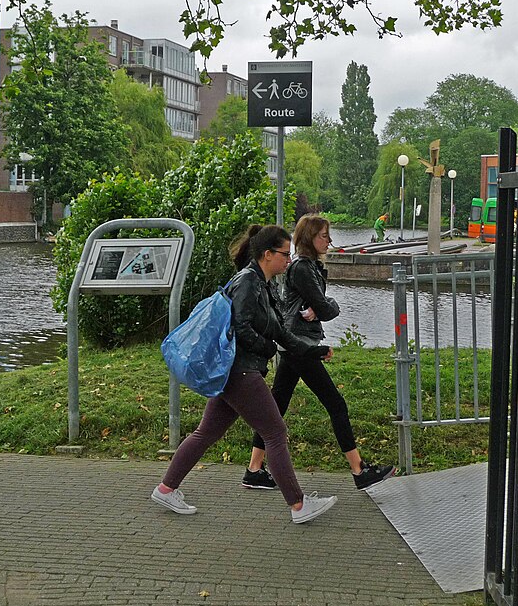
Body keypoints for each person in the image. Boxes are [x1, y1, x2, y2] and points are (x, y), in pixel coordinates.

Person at [151, 224, 339, 524]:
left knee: (207, 432)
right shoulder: (248, 282)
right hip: (240, 372)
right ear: (267, 255)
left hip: (236, 372)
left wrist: (314, 350)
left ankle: (166, 488)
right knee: (275, 433)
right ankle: (299, 505)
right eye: (284, 255)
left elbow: (281, 332)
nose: (288, 261)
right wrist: (266, 347)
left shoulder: (264, 285)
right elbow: (241, 329)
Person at [243, 215, 397, 492]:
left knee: (276, 406)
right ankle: (359, 470)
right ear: (310, 238)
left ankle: (254, 469)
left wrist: (322, 305)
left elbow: (320, 306)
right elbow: (325, 309)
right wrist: (327, 305)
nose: (330, 241)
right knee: (335, 404)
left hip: (295, 343)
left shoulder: (311, 266)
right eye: (324, 235)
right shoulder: (303, 268)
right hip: (300, 344)